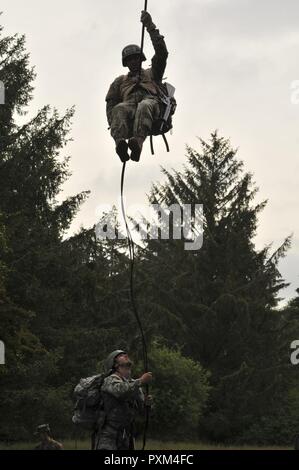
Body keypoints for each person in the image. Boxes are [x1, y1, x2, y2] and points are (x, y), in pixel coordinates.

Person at [106, 10, 168, 163]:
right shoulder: (120, 81)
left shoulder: (152, 73)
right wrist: (113, 125)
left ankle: (137, 144)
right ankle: (120, 145)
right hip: (129, 108)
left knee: (144, 105)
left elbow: (162, 53)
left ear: (141, 59)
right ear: (126, 63)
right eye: (130, 60)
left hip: (152, 105)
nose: (133, 62)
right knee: (119, 109)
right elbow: (111, 105)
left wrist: (150, 26)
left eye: (136, 58)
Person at [95, 350, 152, 450]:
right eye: (121, 355)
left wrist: (147, 404)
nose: (126, 355)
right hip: (109, 437)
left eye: (125, 354)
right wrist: (140, 381)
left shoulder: (132, 384)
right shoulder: (109, 380)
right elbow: (121, 391)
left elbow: (142, 413)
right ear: (115, 365)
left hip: (126, 437)